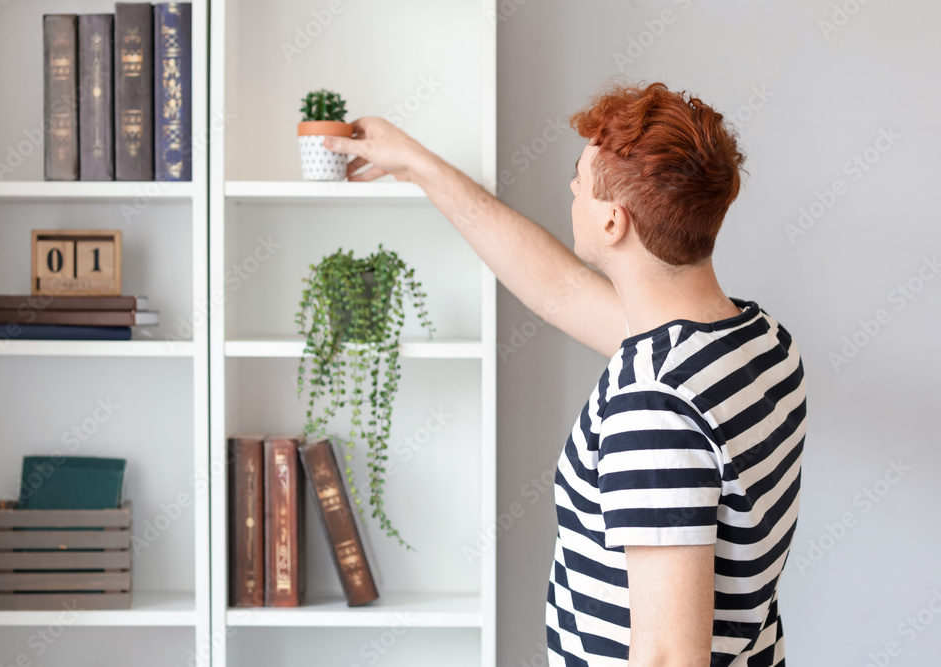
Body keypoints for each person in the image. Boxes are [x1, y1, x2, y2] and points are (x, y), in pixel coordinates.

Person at [324, 80, 806, 667]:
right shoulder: (755, 342)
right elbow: (559, 289)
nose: (573, 189)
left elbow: (667, 657)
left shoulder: (654, 404)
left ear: (612, 224)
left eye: (578, 181)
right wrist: (419, 165)